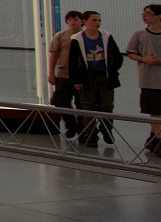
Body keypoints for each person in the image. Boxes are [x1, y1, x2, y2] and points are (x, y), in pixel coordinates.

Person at [68, 11, 122, 148]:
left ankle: (107, 129)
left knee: (107, 107)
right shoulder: (77, 39)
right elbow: (73, 62)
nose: (97, 23)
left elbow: (117, 56)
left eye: (99, 20)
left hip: (104, 76)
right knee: (88, 107)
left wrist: (112, 69)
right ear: (85, 21)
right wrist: (76, 80)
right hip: (87, 78)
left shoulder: (106, 36)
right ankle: (91, 136)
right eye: (94, 20)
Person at [124, 3, 161, 157]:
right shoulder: (139, 35)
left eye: (148, 13)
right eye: (143, 13)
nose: (144, 15)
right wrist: (143, 58)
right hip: (149, 80)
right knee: (155, 113)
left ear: (159, 17)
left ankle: (153, 139)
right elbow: (131, 53)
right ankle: (158, 141)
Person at [48, 10, 84, 140]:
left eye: (75, 19)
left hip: (82, 76)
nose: (73, 22)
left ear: (82, 21)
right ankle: (71, 125)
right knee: (59, 100)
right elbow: (54, 54)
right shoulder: (61, 36)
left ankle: (83, 131)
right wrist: (51, 72)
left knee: (82, 104)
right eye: (70, 20)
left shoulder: (86, 36)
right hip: (64, 74)